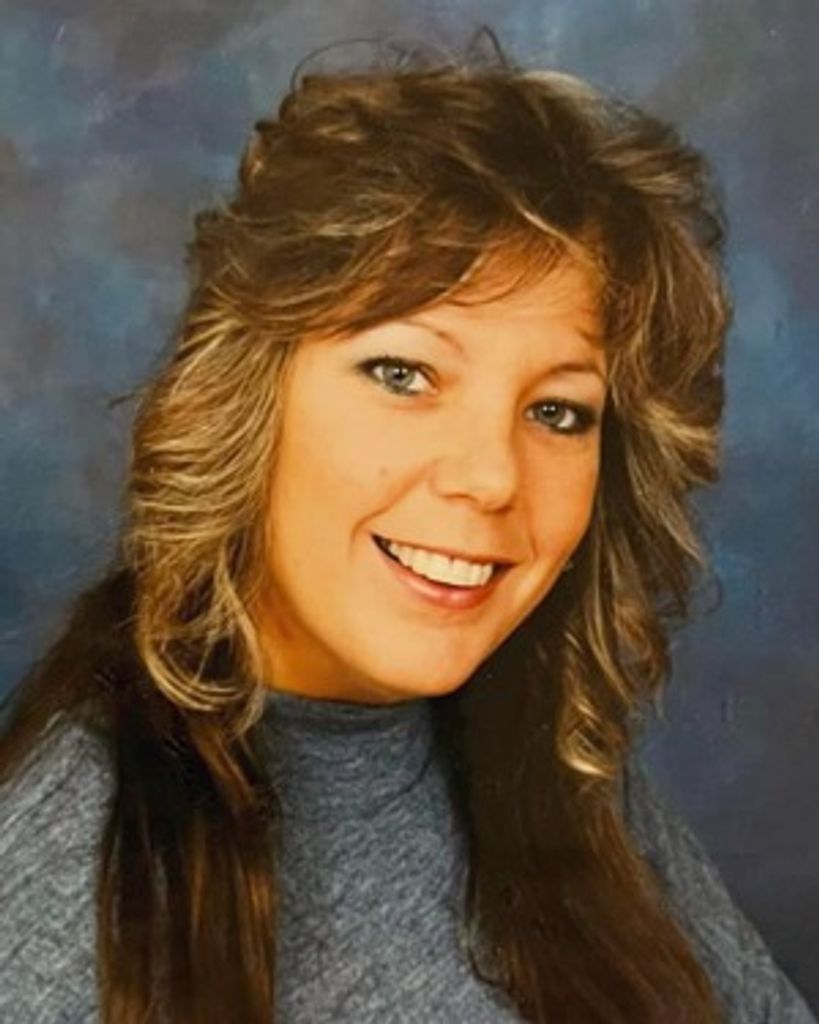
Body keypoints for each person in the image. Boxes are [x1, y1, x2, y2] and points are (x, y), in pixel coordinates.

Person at [0, 33, 815, 1024]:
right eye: (403, 374)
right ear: (245, 396)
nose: (490, 476)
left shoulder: (561, 769)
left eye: (557, 411)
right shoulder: (58, 905)